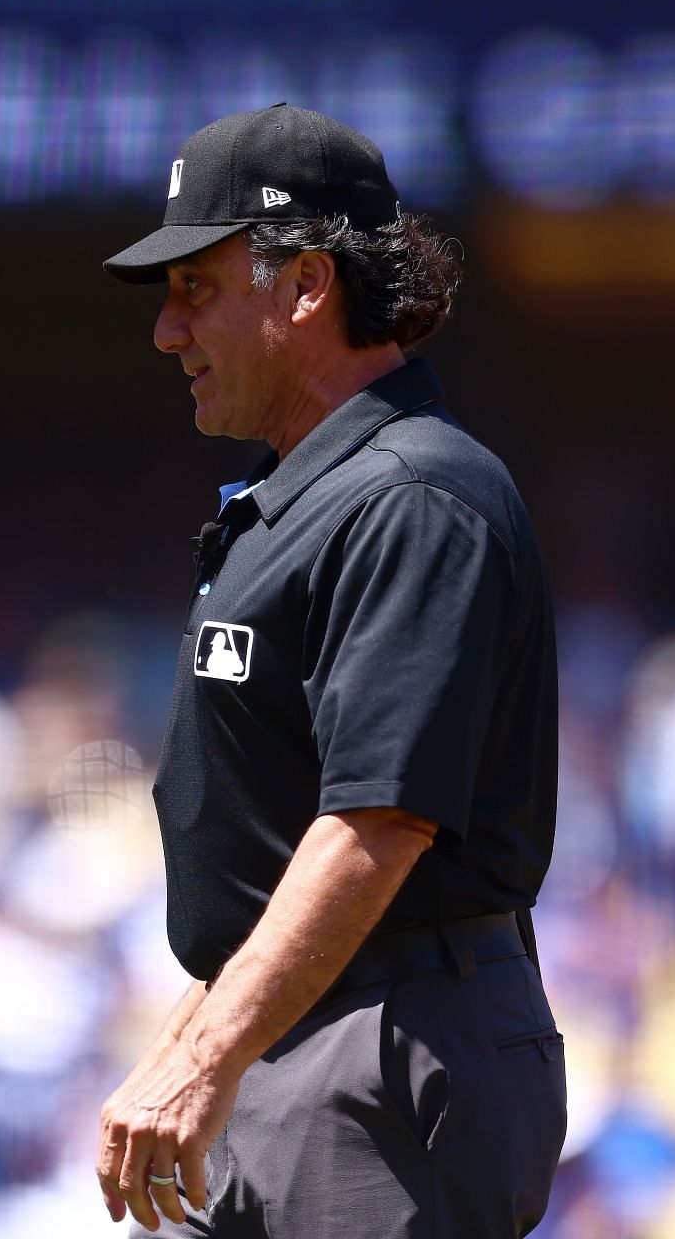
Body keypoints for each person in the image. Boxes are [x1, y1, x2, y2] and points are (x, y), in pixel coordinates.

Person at [93, 104, 566, 1236]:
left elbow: (377, 821)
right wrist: (196, 1036)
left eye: (194, 287)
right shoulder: (313, 491)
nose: (167, 330)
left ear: (306, 286)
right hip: (311, 1026)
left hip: (388, 1039)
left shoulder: (411, 496)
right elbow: (280, 830)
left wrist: (205, 1054)